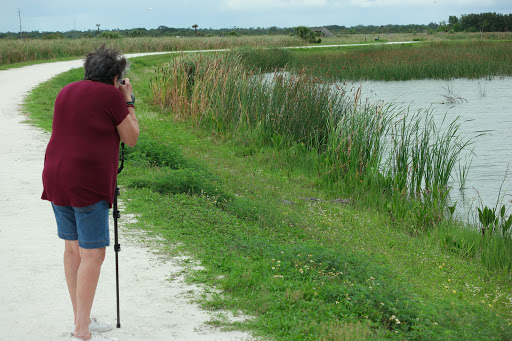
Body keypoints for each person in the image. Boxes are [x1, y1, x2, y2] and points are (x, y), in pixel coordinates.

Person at [41, 45, 139, 341]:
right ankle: (83, 329)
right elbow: (131, 137)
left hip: (56, 176)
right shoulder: (112, 95)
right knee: (93, 253)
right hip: (87, 183)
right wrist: (129, 101)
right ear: (115, 78)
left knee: (73, 250)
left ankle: (80, 319)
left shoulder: (66, 91)